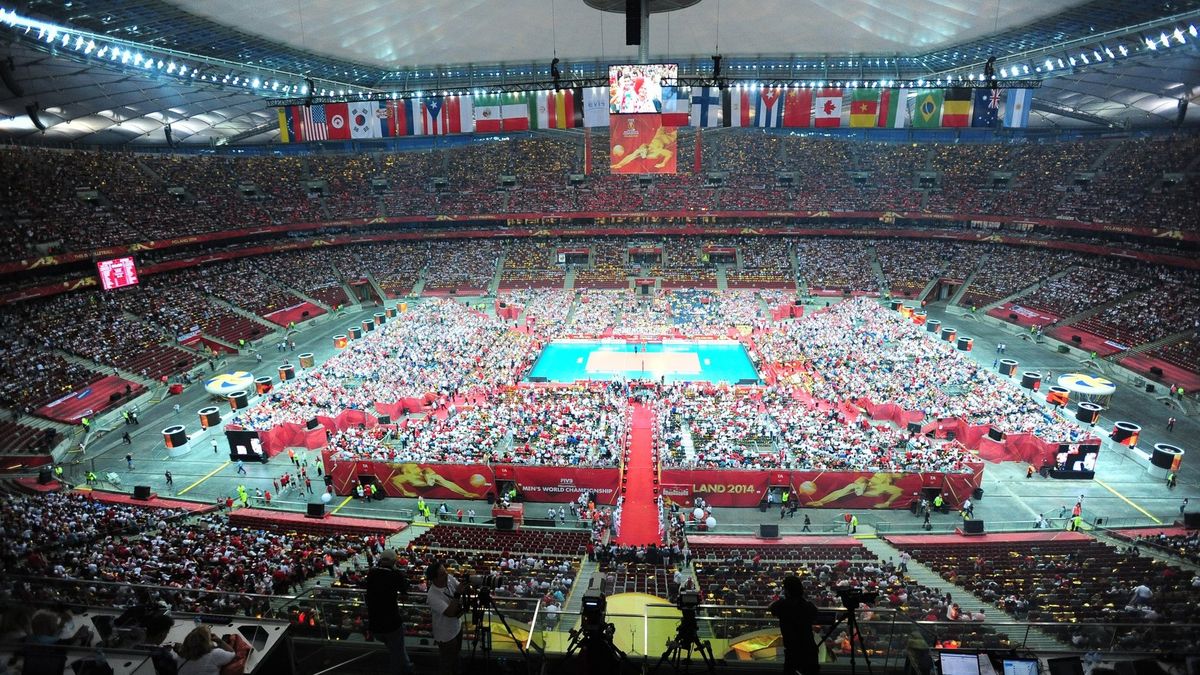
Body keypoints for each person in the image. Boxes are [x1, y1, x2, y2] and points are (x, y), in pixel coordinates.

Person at [367, 549, 414, 675]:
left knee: (396, 648)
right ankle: (403, 668)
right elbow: (404, 592)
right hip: (391, 623)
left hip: (374, 623)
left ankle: (408, 665)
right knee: (396, 652)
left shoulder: (372, 573)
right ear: (394, 561)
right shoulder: (396, 574)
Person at [769, 576, 819, 675]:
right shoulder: (808, 606)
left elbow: (771, 607)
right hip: (808, 648)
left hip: (792, 649)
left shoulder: (782, 605)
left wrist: (783, 599)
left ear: (786, 590)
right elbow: (814, 614)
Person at [425, 560, 469, 675]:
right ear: (434, 579)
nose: (446, 575)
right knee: (447, 663)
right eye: (442, 574)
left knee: (456, 656)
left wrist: (465, 584)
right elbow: (449, 612)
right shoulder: (432, 595)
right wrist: (458, 593)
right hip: (445, 635)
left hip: (457, 626)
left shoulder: (448, 578)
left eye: (445, 572)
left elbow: (458, 586)